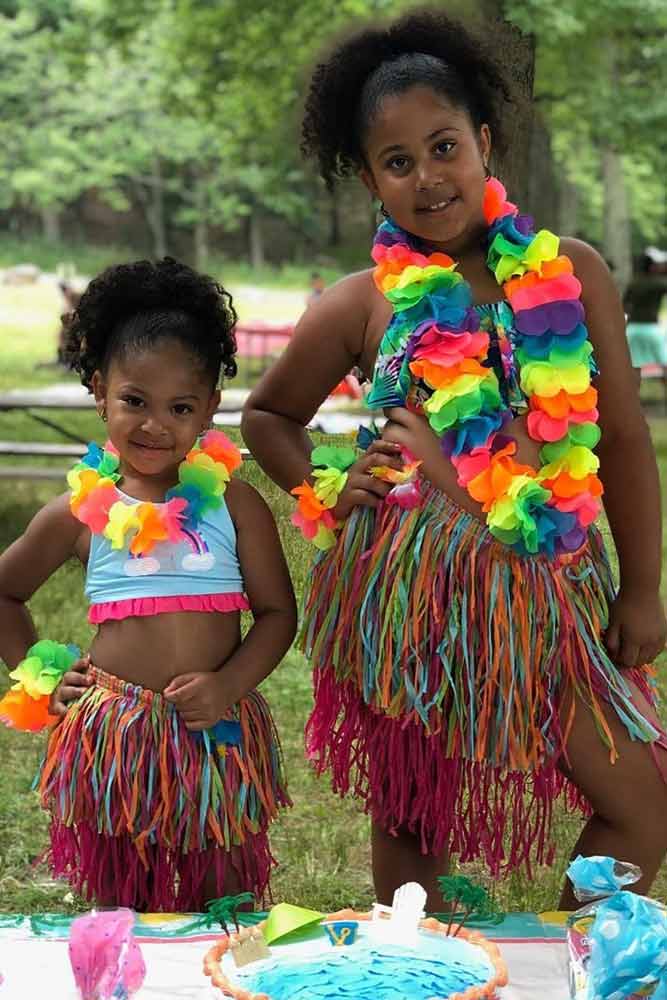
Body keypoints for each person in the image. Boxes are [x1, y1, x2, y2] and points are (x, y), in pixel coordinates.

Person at [242, 9, 667, 911]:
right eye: (397, 163)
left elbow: (622, 438)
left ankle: (576, 957)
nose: (427, 177)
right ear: (370, 179)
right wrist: (322, 479)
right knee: (413, 810)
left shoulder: (573, 272)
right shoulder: (362, 302)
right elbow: (271, 414)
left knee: (641, 802)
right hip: (410, 594)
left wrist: (640, 588)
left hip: (549, 582)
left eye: (443, 147)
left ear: (482, 141)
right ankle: (423, 969)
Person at [0, 257, 296, 911]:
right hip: (116, 734)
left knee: (224, 903)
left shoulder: (236, 504)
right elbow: (5, 592)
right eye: (134, 401)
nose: (154, 424)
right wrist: (38, 675)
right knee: (122, 906)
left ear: (210, 408)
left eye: (179, 406)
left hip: (215, 729)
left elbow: (278, 614)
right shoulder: (79, 511)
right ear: (100, 389)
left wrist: (228, 684)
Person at [624, 248, 667, 407]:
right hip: (652, 329)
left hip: (633, 329)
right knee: (665, 364)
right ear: (652, 267)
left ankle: (633, 401)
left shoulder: (634, 283)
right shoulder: (658, 284)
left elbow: (625, 305)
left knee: (634, 367)